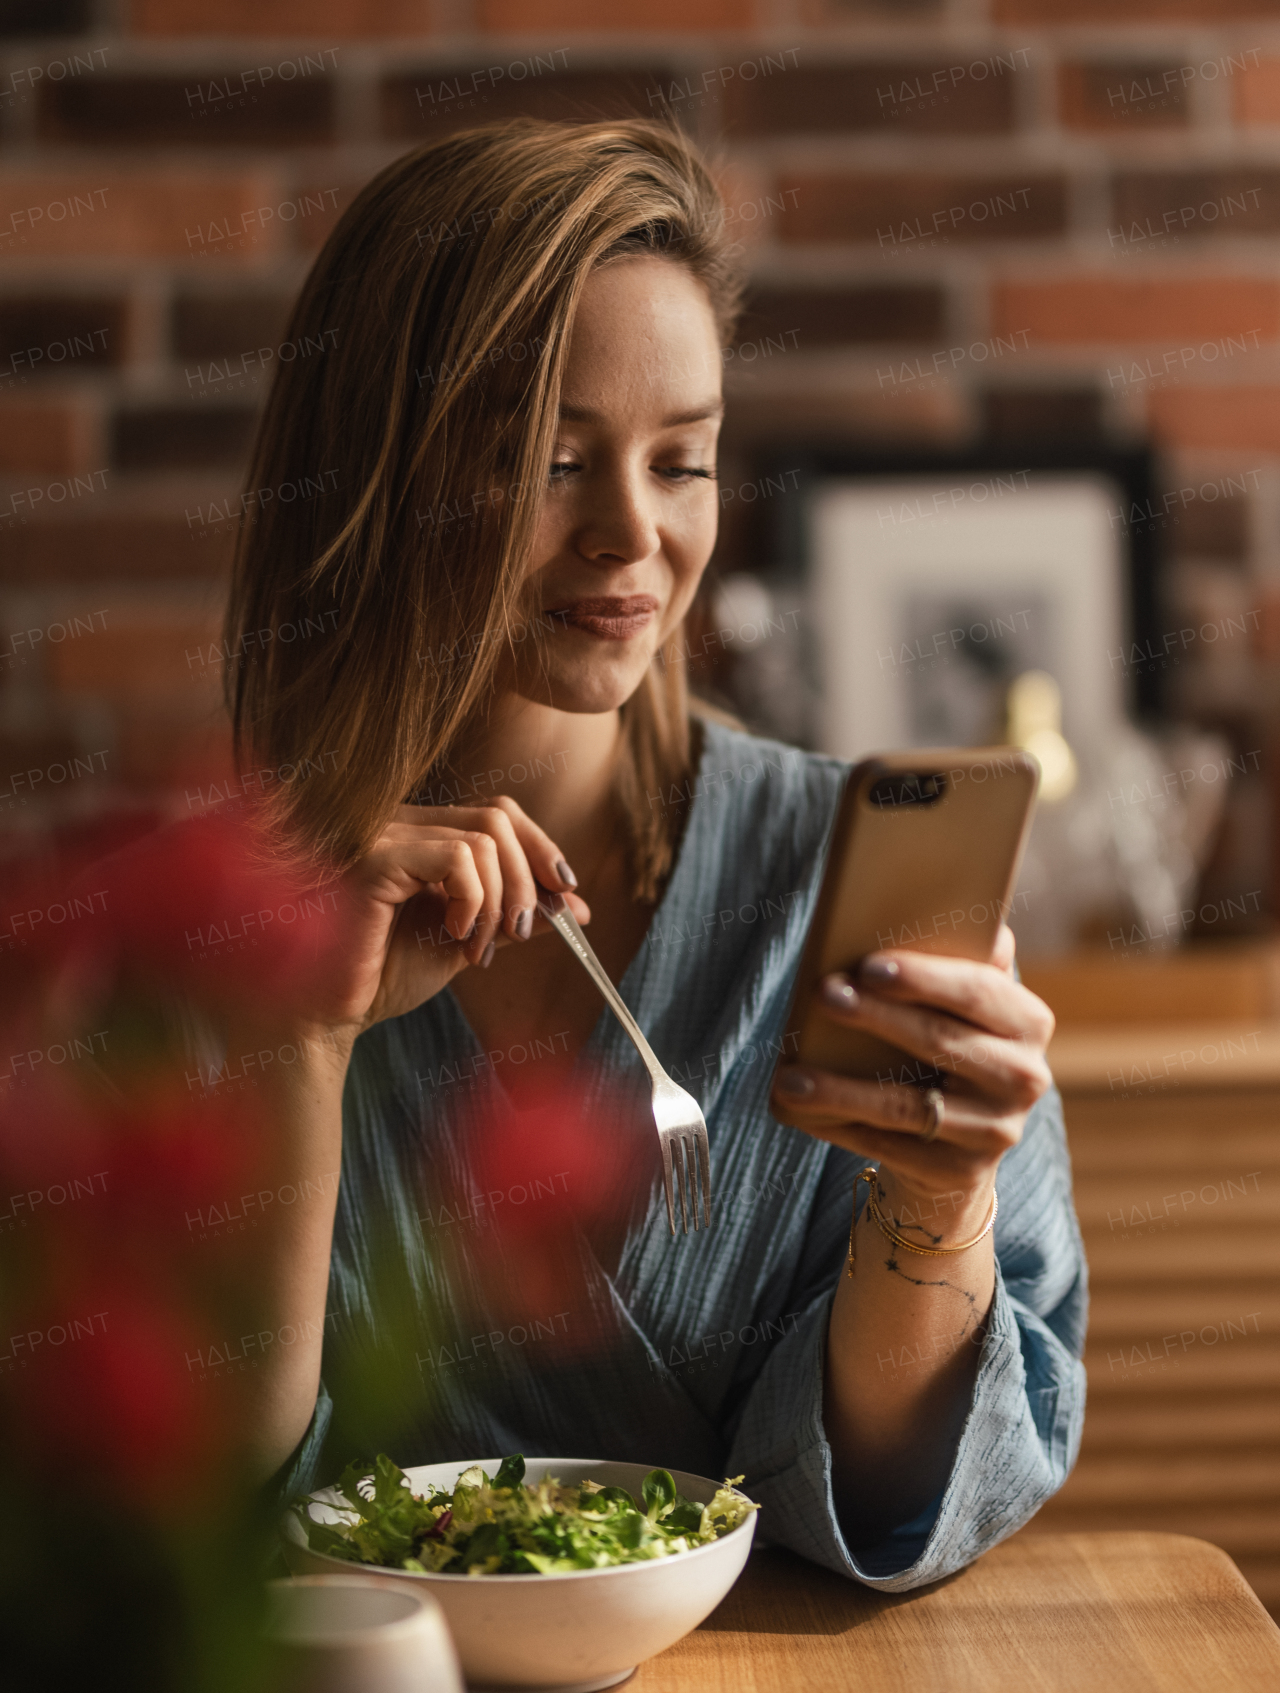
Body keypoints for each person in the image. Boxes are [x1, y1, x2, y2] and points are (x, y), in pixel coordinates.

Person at [220, 118, 1085, 1586]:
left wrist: (940, 1206)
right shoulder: (213, 935)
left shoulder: (836, 877)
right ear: (378, 471)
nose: (633, 533)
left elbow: (883, 1503)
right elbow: (195, 1525)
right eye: (554, 462)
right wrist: (300, 1051)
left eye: (682, 462)